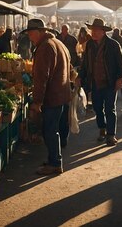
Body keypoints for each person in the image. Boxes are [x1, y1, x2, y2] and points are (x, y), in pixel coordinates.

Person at [25, 19, 71, 175]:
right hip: (62, 93)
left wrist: (37, 101)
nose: (30, 37)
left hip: (53, 96)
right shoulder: (58, 43)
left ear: (39, 32)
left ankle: (55, 163)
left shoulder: (45, 47)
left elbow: (41, 77)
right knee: (54, 129)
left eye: (31, 34)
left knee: (50, 130)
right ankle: (54, 158)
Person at [78, 19, 122, 146]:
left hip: (110, 82)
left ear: (103, 32)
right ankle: (102, 128)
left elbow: (121, 64)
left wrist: (120, 79)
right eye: (92, 30)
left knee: (110, 109)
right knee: (98, 109)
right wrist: (80, 76)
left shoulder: (113, 45)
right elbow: (85, 63)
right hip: (95, 83)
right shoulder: (89, 45)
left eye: (96, 30)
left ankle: (111, 135)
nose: (93, 33)